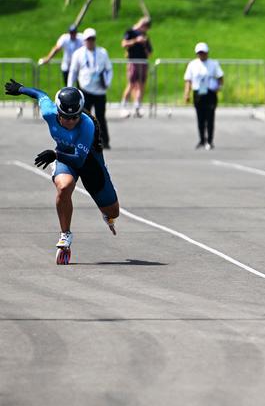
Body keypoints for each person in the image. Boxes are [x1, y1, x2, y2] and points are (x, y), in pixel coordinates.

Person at [4, 79, 119, 265]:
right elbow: (41, 95)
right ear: (58, 112)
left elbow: (79, 160)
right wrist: (22, 89)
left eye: (75, 117)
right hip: (65, 158)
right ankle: (65, 234)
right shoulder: (49, 112)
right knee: (64, 187)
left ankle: (107, 214)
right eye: (67, 117)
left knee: (114, 212)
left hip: (89, 162)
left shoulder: (87, 125)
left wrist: (54, 154)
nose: (71, 121)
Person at [68, 28, 113, 149]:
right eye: (88, 39)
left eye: (93, 39)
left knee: (100, 117)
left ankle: (104, 141)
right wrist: (70, 88)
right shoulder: (78, 54)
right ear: (84, 41)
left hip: (100, 91)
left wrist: (107, 82)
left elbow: (109, 69)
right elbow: (73, 71)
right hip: (85, 90)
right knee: (84, 118)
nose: (91, 42)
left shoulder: (102, 52)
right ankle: (82, 141)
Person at [183, 43, 224, 150]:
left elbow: (220, 77)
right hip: (198, 93)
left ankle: (210, 140)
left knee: (210, 118)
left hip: (210, 93)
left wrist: (219, 87)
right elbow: (188, 80)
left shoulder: (213, 64)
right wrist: (187, 93)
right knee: (200, 118)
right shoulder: (192, 64)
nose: (202, 55)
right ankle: (202, 139)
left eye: (203, 52)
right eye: (200, 53)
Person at [120, 17, 153, 118]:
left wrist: (144, 44)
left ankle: (137, 106)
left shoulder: (145, 36)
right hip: (133, 61)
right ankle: (124, 106)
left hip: (143, 62)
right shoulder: (130, 32)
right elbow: (124, 44)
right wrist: (135, 41)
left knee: (141, 85)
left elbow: (150, 52)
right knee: (131, 84)